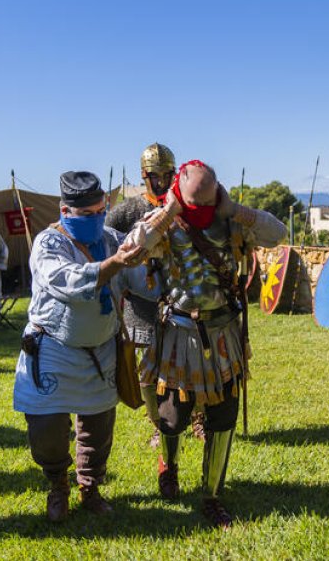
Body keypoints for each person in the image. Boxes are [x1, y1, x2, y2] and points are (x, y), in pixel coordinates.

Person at [123, 160, 287, 528]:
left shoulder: (230, 219)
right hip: (178, 331)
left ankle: (212, 495)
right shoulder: (164, 221)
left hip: (224, 332)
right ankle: (169, 466)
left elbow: (277, 233)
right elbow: (132, 248)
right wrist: (168, 213)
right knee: (171, 416)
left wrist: (236, 210)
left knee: (223, 418)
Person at [13, 171, 145, 522]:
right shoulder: (48, 243)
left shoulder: (113, 239)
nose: (94, 219)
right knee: (47, 430)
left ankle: (91, 487)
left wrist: (152, 257)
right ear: (65, 211)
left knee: (98, 427)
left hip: (100, 349)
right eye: (85, 214)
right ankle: (58, 485)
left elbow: (142, 282)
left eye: (100, 211)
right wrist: (114, 264)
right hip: (52, 348)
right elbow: (66, 281)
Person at [106, 143, 178, 445]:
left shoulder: (181, 207)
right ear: (144, 175)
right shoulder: (126, 212)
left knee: (186, 367)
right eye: (154, 176)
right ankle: (157, 424)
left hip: (179, 301)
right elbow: (107, 245)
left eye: (167, 175)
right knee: (147, 376)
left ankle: (195, 418)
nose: (161, 182)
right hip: (141, 302)